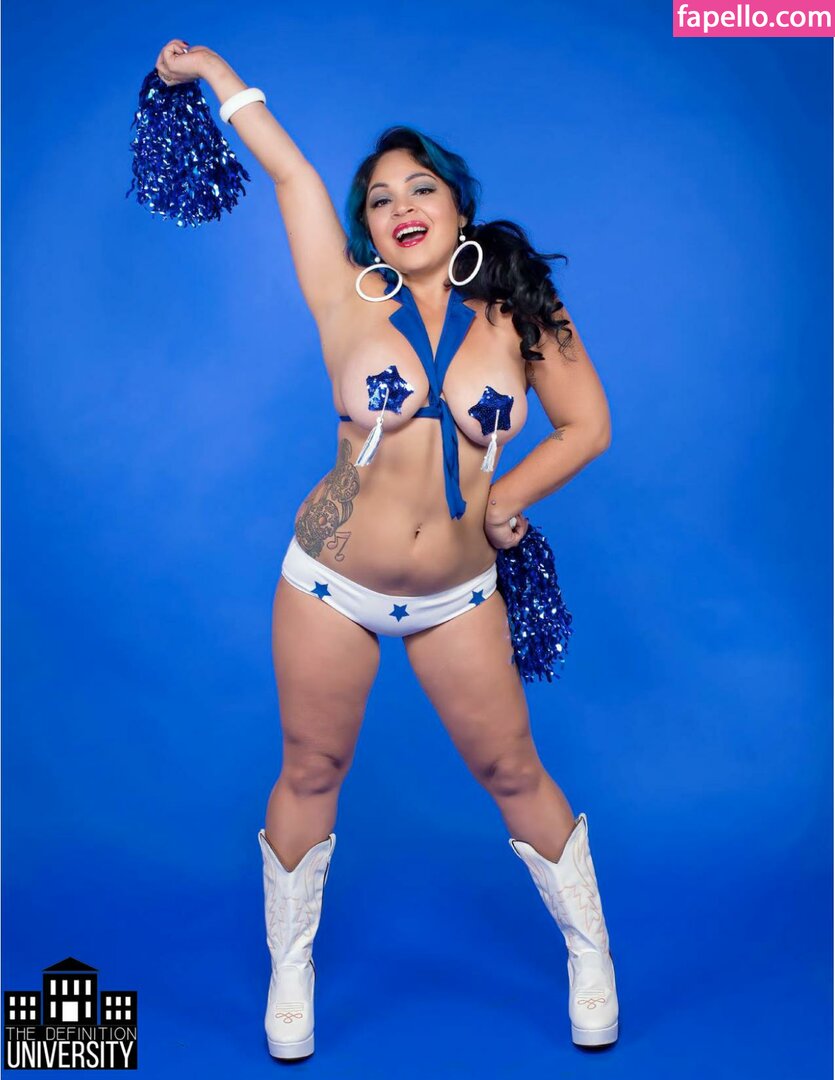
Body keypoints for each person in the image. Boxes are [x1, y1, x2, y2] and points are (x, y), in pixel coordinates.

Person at [155, 38, 619, 1062]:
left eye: (420, 188)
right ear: (365, 226)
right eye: (378, 199)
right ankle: (290, 972)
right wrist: (217, 75)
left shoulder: (520, 309)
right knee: (311, 767)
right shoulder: (343, 295)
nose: (399, 206)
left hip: (457, 593)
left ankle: (590, 954)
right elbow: (290, 172)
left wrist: (508, 500)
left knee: (511, 767)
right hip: (330, 578)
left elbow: (585, 425)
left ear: (456, 205)